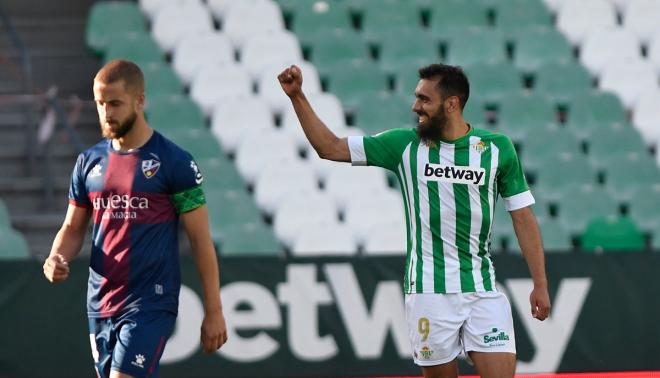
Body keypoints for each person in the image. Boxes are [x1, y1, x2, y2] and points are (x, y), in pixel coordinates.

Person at [278, 63, 551, 378]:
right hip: (428, 293)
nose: (415, 106)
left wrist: (540, 284)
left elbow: (523, 218)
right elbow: (331, 148)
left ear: (451, 104)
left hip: (482, 289)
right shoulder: (404, 145)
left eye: (424, 99)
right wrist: (297, 96)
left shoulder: (496, 149)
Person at [42, 60, 228, 378]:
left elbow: (200, 239)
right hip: (100, 302)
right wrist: (56, 256)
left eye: (115, 103)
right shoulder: (88, 163)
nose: (106, 112)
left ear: (140, 101)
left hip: (150, 301)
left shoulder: (176, 162)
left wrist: (214, 310)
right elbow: (73, 228)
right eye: (100, 104)